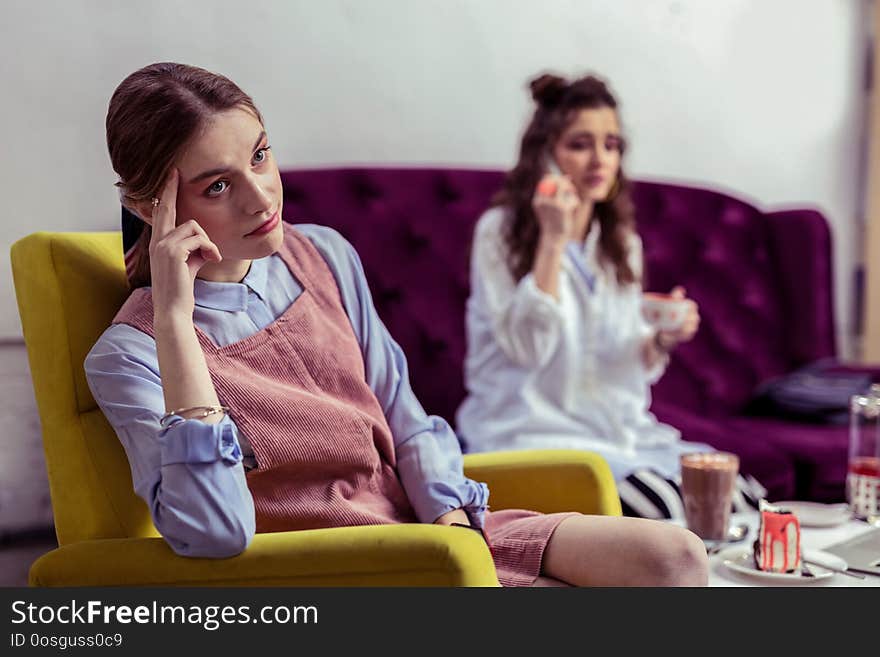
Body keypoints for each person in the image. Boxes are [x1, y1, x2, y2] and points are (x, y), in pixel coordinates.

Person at [85, 62, 708, 587]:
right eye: (219, 185)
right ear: (150, 208)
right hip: (342, 565)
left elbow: (404, 415)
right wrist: (175, 319)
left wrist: (451, 520)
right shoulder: (130, 355)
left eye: (260, 156)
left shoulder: (324, 253)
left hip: (426, 526)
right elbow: (215, 532)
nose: (261, 198)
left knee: (675, 557)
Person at [455, 72, 766, 520]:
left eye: (612, 144)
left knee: (735, 495)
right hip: (529, 435)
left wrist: (660, 339)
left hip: (621, 435)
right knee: (667, 511)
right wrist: (551, 240)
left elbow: (619, 356)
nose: (600, 159)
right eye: (580, 144)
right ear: (545, 155)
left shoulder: (621, 243)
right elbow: (526, 349)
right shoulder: (499, 234)